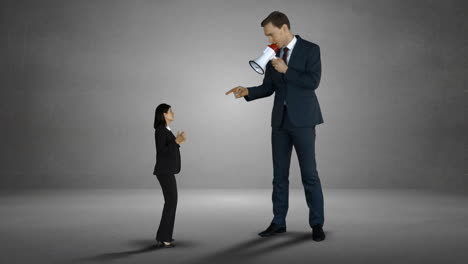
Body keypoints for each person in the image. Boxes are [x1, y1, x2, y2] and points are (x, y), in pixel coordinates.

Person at [226, 11, 326, 241]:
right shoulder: (273, 54)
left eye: (271, 34)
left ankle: (317, 223)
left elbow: (313, 82)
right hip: (280, 122)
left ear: (284, 28)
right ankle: (278, 222)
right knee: (279, 176)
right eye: (266, 36)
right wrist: (247, 92)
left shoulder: (311, 49)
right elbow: (268, 87)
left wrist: (287, 70)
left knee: (309, 175)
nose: (269, 40)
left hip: (303, 121)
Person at [153, 103, 186, 248]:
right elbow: (162, 152)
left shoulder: (166, 130)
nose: (173, 112)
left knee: (171, 202)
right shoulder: (160, 130)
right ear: (164, 114)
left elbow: (169, 148)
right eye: (170, 111)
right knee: (171, 202)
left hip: (167, 171)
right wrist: (177, 142)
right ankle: (163, 236)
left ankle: (165, 235)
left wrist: (176, 141)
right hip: (164, 171)